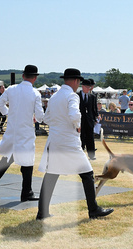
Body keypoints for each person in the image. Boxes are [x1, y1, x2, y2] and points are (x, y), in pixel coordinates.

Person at [36, 68, 114, 220]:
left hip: (55, 140)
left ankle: (42, 212)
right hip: (69, 142)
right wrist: (77, 124)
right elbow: (74, 114)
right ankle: (93, 209)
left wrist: (59, 125)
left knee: (51, 175)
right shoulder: (72, 96)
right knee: (87, 174)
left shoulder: (54, 97)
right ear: (76, 81)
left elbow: (46, 118)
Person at [0, 65, 44, 201]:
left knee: (7, 157)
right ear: (35, 78)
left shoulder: (11, 89)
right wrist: (39, 118)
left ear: (23, 76)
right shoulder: (35, 93)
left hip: (12, 130)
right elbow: (40, 116)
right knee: (27, 161)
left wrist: (8, 113)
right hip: (26, 131)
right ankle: (26, 192)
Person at [78, 79, 99, 160]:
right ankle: (80, 154)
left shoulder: (92, 96)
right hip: (80, 120)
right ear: (82, 86)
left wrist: (95, 117)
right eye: (87, 87)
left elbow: (94, 108)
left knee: (90, 137)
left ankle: (91, 155)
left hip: (89, 120)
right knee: (81, 137)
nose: (88, 89)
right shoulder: (77, 95)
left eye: (89, 87)